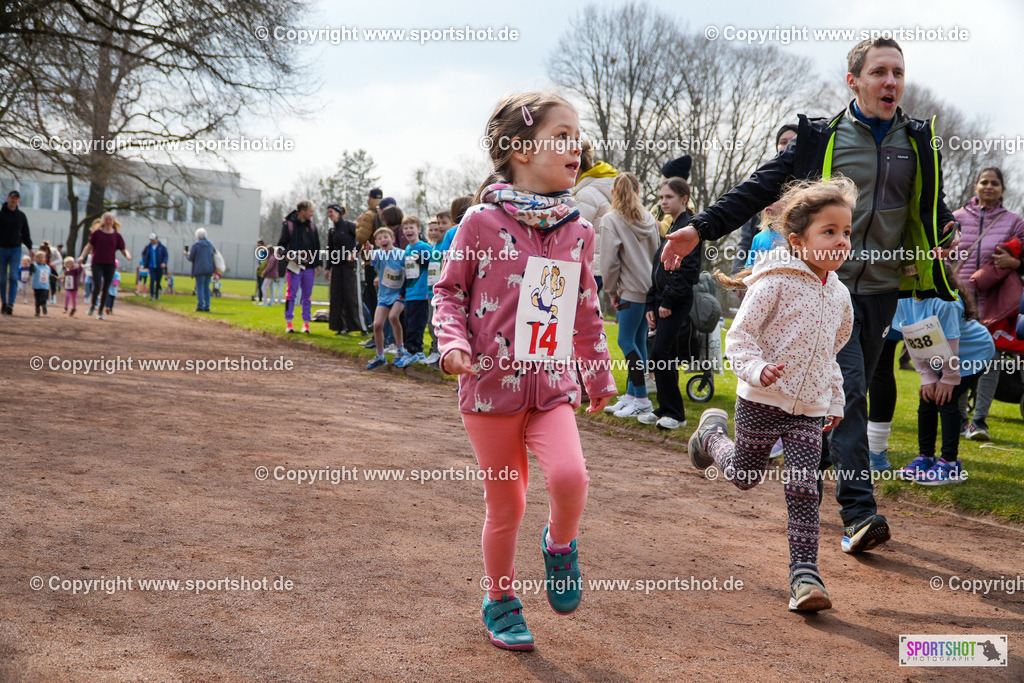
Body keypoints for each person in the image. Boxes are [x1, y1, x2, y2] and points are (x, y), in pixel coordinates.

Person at [660, 37, 960, 554]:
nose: (891, 82)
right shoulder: (820, 138)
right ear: (854, 81)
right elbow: (759, 188)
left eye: (898, 73)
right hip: (824, 285)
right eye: (880, 72)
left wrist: (946, 226)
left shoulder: (918, 140)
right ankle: (858, 512)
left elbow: (930, 201)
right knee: (851, 388)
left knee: (835, 398)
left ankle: (764, 451)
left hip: (884, 287)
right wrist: (700, 228)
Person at [433, 91, 616, 651]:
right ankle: (501, 600)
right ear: (518, 150)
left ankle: (560, 544)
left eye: (577, 135)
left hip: (551, 392)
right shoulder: (479, 223)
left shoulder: (580, 231)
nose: (576, 146)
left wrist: (598, 375)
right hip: (488, 393)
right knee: (506, 503)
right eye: (561, 135)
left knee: (570, 477)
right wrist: (452, 344)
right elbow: (448, 293)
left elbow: (586, 312)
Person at [689, 177, 856, 612]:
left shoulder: (839, 295)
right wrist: (757, 370)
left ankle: (805, 576)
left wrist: (833, 401)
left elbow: (829, 354)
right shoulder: (775, 282)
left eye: (847, 232)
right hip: (761, 400)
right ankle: (710, 438)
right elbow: (739, 339)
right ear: (798, 241)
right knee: (745, 476)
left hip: (810, 410)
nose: (841, 241)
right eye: (830, 231)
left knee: (804, 488)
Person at [895, 264, 994, 485]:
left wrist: (949, 378)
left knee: (946, 399)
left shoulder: (946, 302)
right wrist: (926, 376)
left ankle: (950, 464)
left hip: (972, 354)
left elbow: (951, 344)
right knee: (927, 398)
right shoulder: (904, 299)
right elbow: (912, 339)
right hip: (942, 354)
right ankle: (925, 457)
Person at [952, 167, 1024, 441]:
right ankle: (959, 419)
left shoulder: (1015, 221)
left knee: (991, 363)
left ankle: (979, 421)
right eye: (984, 182)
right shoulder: (956, 218)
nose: (989, 187)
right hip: (959, 303)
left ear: (1003, 189)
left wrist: (1017, 263)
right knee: (959, 362)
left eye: (995, 183)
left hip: (996, 306)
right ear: (975, 187)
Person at [640, 177, 699, 430]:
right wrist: (651, 304)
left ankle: (675, 413)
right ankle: (665, 408)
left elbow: (688, 271)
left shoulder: (690, 228)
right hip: (662, 301)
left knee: (661, 353)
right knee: (665, 354)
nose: (663, 201)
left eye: (669, 197)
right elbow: (658, 269)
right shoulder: (671, 226)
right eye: (661, 197)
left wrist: (668, 301)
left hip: (676, 301)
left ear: (684, 199)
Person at [601, 172, 661, 418]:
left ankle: (642, 398)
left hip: (629, 289)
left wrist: (612, 290)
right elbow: (658, 253)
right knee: (638, 340)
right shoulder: (649, 218)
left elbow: (608, 263)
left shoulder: (611, 220)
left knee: (625, 341)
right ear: (637, 192)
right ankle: (631, 396)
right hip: (649, 288)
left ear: (614, 192)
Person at [731, 125, 798, 275]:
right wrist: (739, 271)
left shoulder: (811, 183)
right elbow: (746, 238)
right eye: (782, 141)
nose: (786, 145)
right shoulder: (765, 181)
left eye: (792, 141)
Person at [572, 140, 618, 292]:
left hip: (587, 267)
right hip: (598, 266)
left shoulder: (586, 194)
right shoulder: (600, 188)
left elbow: (574, 234)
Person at [365, 226, 409, 369]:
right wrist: (367, 251)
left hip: (400, 294)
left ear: (393, 239)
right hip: (384, 296)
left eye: (386, 237)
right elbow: (369, 258)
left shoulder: (402, 254)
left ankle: (400, 349)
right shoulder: (378, 254)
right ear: (377, 243)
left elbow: (409, 271)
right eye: (379, 238)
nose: (383, 240)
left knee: (393, 317)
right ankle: (380, 356)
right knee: (377, 324)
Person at [278, 200, 322, 334]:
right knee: (291, 294)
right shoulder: (289, 225)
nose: (312, 213)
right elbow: (281, 245)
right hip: (294, 267)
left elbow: (316, 247)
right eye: (310, 211)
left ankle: (306, 324)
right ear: (302, 212)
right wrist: (286, 255)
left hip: (309, 267)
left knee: (307, 296)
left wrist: (319, 264)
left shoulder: (313, 227)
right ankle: (289, 322)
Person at [78, 212, 130, 321]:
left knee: (106, 288)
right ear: (103, 221)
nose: (108, 221)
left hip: (110, 264)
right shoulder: (97, 234)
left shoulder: (117, 236)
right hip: (97, 263)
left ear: (113, 221)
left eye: (110, 219)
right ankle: (92, 306)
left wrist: (127, 255)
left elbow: (122, 249)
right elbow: (89, 246)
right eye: (106, 219)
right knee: (97, 285)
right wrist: (82, 256)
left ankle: (100, 311)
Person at [396, 216, 432, 366]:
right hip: (410, 293)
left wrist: (422, 260)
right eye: (406, 228)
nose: (408, 230)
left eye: (412, 227)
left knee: (416, 325)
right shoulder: (408, 249)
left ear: (419, 229)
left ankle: (412, 351)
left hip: (421, 292)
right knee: (409, 322)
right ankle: (417, 351)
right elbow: (406, 273)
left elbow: (435, 263)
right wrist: (403, 292)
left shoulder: (424, 247)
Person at [326, 204, 361, 334]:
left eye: (331, 212)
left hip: (348, 266)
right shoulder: (332, 230)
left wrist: (353, 252)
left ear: (338, 213)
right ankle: (340, 326)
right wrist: (327, 268)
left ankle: (356, 325)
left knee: (350, 295)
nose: (330, 215)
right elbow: (330, 249)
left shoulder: (349, 226)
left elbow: (361, 240)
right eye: (328, 212)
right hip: (337, 266)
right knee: (336, 296)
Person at [0, 189, 32, 315]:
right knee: (2, 279)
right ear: (8, 199)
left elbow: (25, 234)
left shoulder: (21, 216)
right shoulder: (1, 214)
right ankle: (4, 302)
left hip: (15, 250)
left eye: (16, 198)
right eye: (12, 198)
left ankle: (11, 304)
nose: (14, 200)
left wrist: (30, 248)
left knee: (13, 276)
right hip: (1, 249)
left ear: (18, 201)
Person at [186, 228, 216, 312]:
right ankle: (207, 306)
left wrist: (186, 255)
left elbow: (191, 258)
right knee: (207, 287)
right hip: (209, 268)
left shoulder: (196, 245)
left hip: (199, 269)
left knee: (200, 287)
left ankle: (200, 306)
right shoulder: (210, 244)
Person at [141, 233, 168, 300]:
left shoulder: (162, 247)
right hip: (151, 266)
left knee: (158, 281)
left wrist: (164, 263)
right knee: (152, 280)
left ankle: (156, 295)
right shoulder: (148, 247)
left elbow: (166, 255)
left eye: (153, 240)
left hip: (159, 266)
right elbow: (143, 253)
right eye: (151, 240)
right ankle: (152, 295)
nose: (152, 241)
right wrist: (145, 260)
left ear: (156, 239)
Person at [30, 249, 51, 316]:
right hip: (36, 286)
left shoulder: (47, 267)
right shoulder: (35, 266)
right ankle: (37, 310)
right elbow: (31, 269)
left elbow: (49, 275)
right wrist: (31, 260)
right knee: (37, 299)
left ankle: (44, 305)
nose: (40, 259)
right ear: (36, 259)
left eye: (42, 257)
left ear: (45, 259)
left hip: (45, 286)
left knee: (44, 297)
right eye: (38, 257)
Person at [254, 238, 266, 302]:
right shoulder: (261, 251)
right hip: (260, 269)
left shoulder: (264, 251)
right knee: (259, 284)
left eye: (258, 244)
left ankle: (261, 297)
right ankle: (259, 297)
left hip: (262, 270)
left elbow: (263, 261)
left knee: (261, 284)